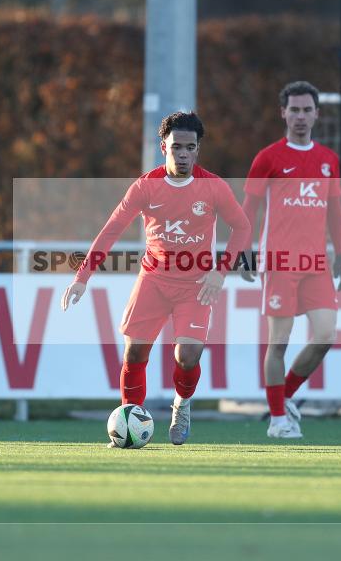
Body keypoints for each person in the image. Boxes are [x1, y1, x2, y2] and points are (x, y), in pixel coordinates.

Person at [61, 111, 251, 445]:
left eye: (190, 147)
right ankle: (129, 422)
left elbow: (243, 227)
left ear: (197, 150)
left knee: (187, 357)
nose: (183, 154)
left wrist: (220, 273)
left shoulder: (213, 187)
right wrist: (82, 276)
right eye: (177, 146)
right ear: (163, 146)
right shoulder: (146, 186)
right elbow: (112, 229)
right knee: (134, 354)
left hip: (195, 286)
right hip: (153, 280)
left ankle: (182, 403)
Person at [240, 81, 341, 438]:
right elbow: (249, 209)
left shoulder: (329, 160)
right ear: (283, 113)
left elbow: (336, 212)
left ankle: (280, 398)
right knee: (279, 343)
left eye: (307, 110)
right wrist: (244, 250)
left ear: (317, 113)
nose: (300, 116)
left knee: (326, 336)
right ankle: (277, 422)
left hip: (316, 263)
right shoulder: (268, 157)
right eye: (294, 110)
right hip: (280, 262)